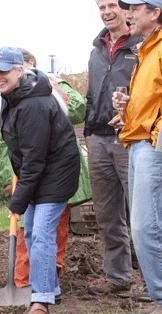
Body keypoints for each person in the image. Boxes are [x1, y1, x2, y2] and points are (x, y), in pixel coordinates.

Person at [0, 46, 80, 314]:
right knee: (31, 235)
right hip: (39, 174)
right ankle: (51, 288)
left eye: (4, 70)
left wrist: (18, 200)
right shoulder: (13, 96)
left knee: (40, 233)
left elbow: (35, 159)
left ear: (19, 70)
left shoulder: (33, 104)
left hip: (56, 175)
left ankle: (40, 301)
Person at [84, 0, 143, 296]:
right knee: (108, 214)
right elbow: (92, 94)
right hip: (98, 140)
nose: (106, 11)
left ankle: (151, 280)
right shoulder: (96, 51)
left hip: (131, 138)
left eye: (111, 5)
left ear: (125, 9)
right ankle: (118, 277)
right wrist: (89, 132)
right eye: (100, 6)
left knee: (144, 211)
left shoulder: (142, 44)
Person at [113, 0, 162, 314]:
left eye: (136, 7)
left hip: (151, 144)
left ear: (156, 12)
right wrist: (126, 107)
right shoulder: (146, 52)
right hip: (136, 141)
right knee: (148, 225)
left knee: (145, 227)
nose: (129, 13)